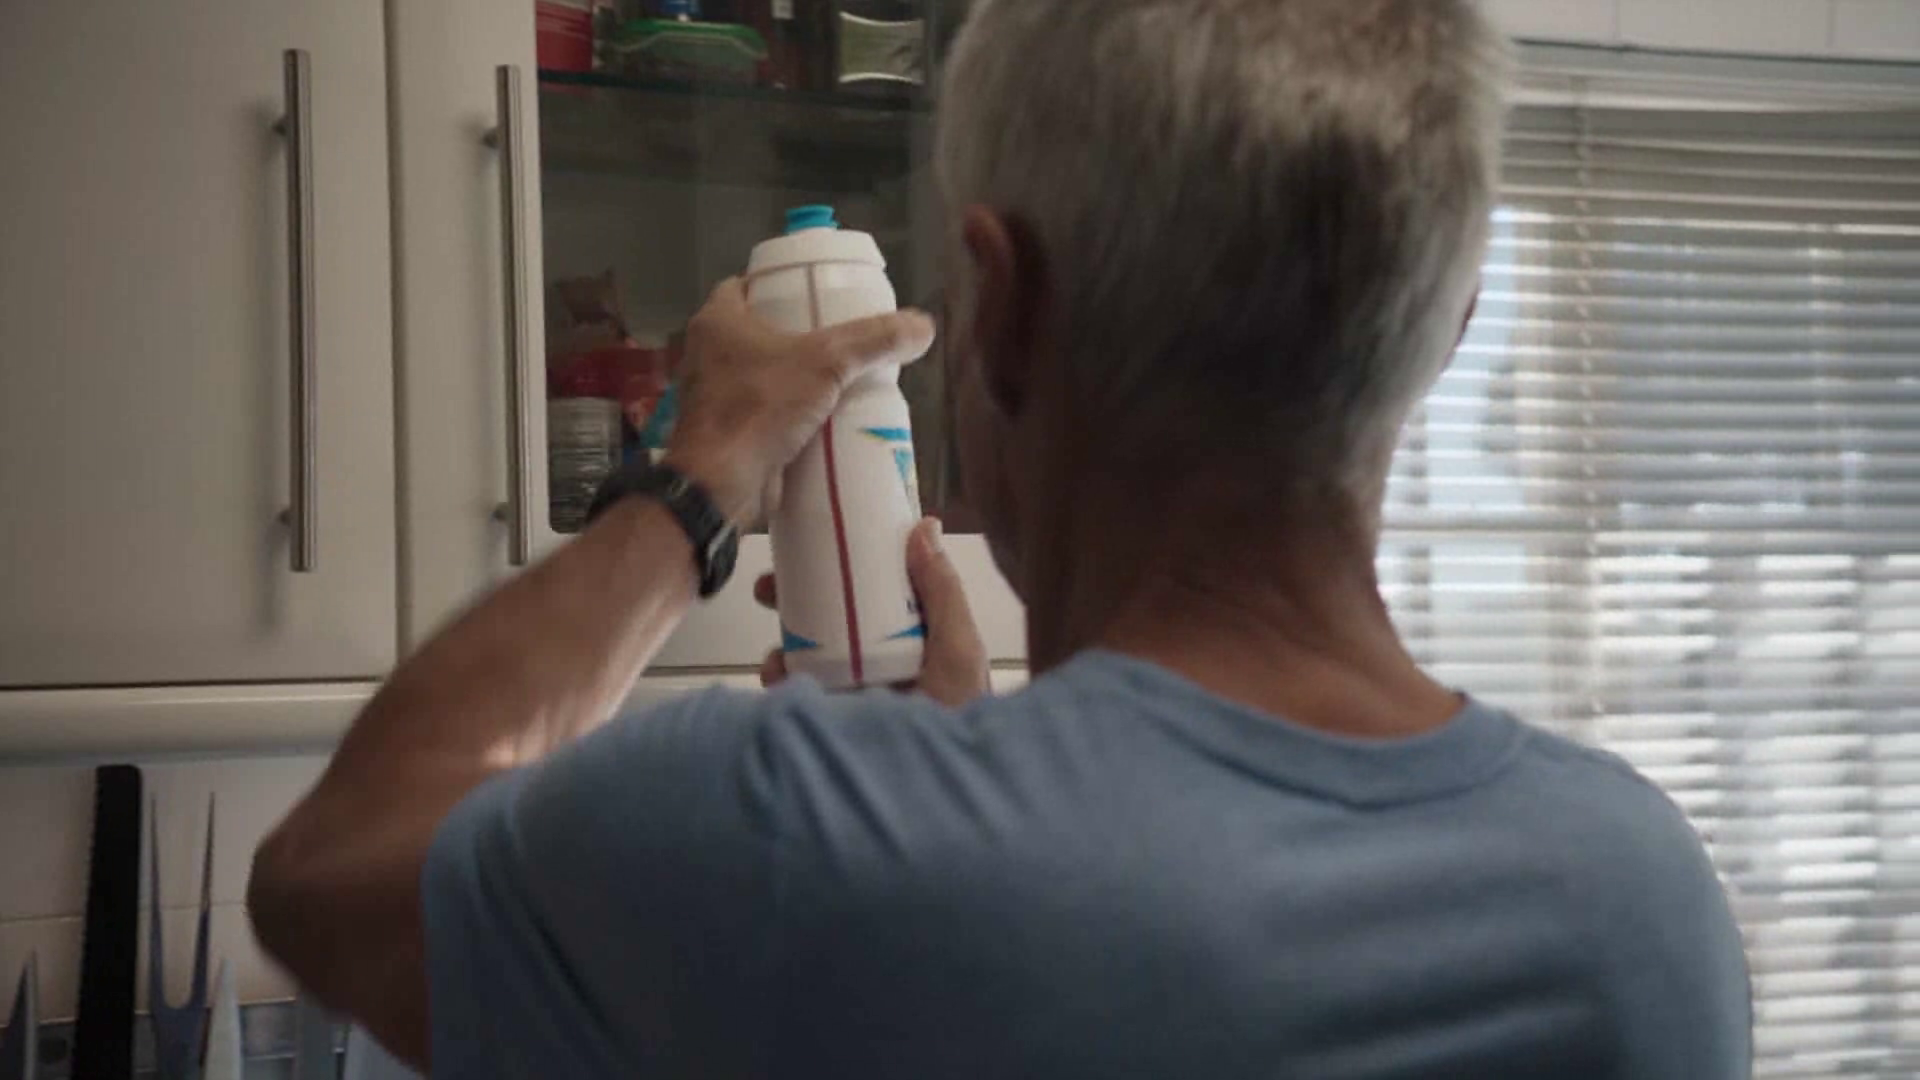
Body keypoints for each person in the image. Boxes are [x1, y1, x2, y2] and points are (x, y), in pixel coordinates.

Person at [248, 0, 1753, 1075]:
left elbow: (328, 870)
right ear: (1445, 330)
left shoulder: (789, 839)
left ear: (1005, 306)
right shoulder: (1638, 903)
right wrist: (969, 766)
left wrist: (692, 479)